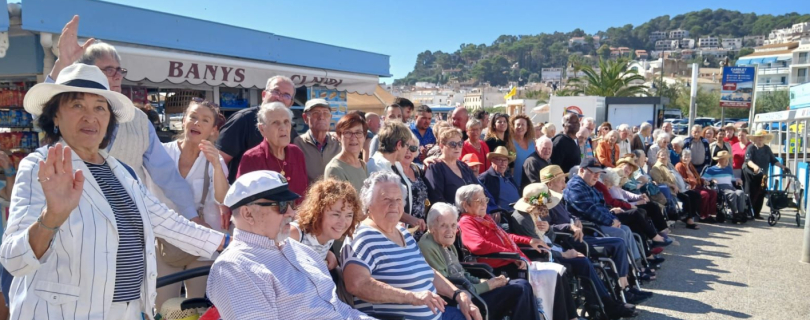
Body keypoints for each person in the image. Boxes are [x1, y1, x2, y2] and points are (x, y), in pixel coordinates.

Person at [2, 64, 226, 320]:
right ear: (55, 115)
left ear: (109, 119)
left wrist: (228, 244)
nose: (90, 116)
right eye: (77, 105)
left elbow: (167, 222)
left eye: (99, 107)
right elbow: (14, 259)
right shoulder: (40, 166)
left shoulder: (122, 172)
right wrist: (51, 218)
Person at [45, 16, 202, 225]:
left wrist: (192, 215)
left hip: (130, 221)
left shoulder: (139, 120)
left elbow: (166, 174)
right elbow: (42, 113)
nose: (117, 76)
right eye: (109, 70)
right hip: (78, 223)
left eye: (119, 70)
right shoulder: (67, 117)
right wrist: (62, 64)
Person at [207, 171, 371, 319]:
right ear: (247, 214)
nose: (292, 213)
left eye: (291, 204)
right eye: (282, 206)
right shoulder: (235, 267)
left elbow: (340, 310)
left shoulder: (301, 250)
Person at [342, 172, 482, 320]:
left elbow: (426, 271)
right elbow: (356, 284)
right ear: (368, 204)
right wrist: (411, 297)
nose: (394, 205)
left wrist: (458, 295)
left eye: (398, 199)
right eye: (386, 199)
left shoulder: (403, 232)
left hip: (439, 313)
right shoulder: (361, 236)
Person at [510, 183, 644, 313]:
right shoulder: (522, 218)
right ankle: (605, 305)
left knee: (585, 260)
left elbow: (550, 238)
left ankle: (603, 303)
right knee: (582, 261)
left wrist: (548, 228)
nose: (545, 207)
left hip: (552, 249)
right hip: (542, 256)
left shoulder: (534, 211)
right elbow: (539, 248)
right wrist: (564, 255)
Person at [154, 98, 231, 310]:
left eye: (204, 120)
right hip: (166, 242)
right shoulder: (161, 153)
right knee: (165, 307)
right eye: (193, 117)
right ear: (184, 120)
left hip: (203, 243)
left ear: (214, 130)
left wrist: (216, 164)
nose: (196, 123)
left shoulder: (214, 160)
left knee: (199, 308)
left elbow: (223, 199)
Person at [419, 203, 542, 320]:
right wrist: (489, 285)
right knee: (519, 290)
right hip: (461, 301)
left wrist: (482, 281)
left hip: (470, 290)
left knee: (522, 284)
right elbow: (448, 285)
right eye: (443, 225)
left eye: (453, 225)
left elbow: (461, 273)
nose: (450, 231)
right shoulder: (427, 246)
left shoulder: (446, 242)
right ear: (431, 227)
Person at [218, 76, 298, 183]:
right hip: (246, 194)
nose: (279, 97)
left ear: (291, 103)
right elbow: (219, 162)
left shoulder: (289, 128)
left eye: (286, 95)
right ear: (264, 95)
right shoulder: (243, 120)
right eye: (276, 91)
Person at [237, 102, 308, 204]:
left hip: (298, 218)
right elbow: (242, 199)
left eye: (286, 122)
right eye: (275, 122)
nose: (283, 128)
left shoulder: (297, 153)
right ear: (262, 129)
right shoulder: (252, 158)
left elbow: (304, 194)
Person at [290, 179, 362, 270]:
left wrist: (327, 253)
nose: (343, 222)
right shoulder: (295, 234)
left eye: (349, 215)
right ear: (317, 212)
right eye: (336, 214)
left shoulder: (328, 236)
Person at [425, 128, 482, 205]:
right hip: (449, 214)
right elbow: (436, 199)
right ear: (441, 146)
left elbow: (478, 189)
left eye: (460, 143)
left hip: (471, 213)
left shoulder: (464, 166)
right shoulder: (435, 167)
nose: (457, 147)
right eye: (452, 144)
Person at [648, 149, 700, 229]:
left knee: (696, 195)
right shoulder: (656, 168)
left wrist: (686, 184)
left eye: (666, 154)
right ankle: (689, 220)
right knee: (687, 197)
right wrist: (672, 185)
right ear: (657, 156)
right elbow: (659, 181)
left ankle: (688, 216)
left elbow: (678, 176)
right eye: (662, 154)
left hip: (681, 188)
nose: (665, 156)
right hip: (671, 190)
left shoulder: (670, 165)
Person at [293, 98, 341, 184]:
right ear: (305, 118)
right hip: (309, 196)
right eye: (316, 113)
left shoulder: (339, 143)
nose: (321, 117)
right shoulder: (297, 144)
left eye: (325, 113)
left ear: (330, 117)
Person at [744, 130, 787, 219]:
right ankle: (748, 212)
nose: (760, 139)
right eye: (758, 137)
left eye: (762, 137)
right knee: (751, 192)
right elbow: (748, 160)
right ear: (754, 139)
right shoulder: (751, 148)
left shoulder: (767, 148)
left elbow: (773, 160)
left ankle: (756, 213)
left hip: (763, 175)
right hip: (751, 174)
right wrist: (755, 167)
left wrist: (782, 167)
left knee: (761, 193)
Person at [396, 134, 431, 241]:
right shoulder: (393, 171)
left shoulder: (416, 169)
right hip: (403, 229)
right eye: (405, 147)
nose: (408, 152)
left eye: (412, 148)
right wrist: (410, 219)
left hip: (421, 228)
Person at [325, 113, 369, 195]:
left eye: (358, 132)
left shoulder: (362, 165)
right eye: (348, 133)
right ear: (339, 137)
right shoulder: (335, 169)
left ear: (364, 136)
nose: (353, 138)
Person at [702, 151, 747, 222]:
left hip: (731, 187)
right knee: (732, 194)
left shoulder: (729, 169)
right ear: (719, 160)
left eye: (727, 159)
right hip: (721, 188)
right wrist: (711, 180)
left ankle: (741, 213)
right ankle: (735, 213)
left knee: (740, 192)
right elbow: (702, 178)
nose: (727, 161)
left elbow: (732, 179)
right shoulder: (711, 169)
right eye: (725, 159)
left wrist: (737, 179)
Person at [676, 150, 719, 222]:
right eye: (685, 157)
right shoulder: (679, 166)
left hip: (697, 185)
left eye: (688, 157)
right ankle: (702, 216)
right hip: (689, 187)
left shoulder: (690, 165)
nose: (686, 159)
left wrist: (703, 181)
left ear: (691, 158)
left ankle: (710, 214)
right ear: (681, 158)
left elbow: (697, 177)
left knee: (713, 193)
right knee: (705, 194)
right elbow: (680, 179)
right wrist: (691, 181)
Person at [478, 147, 520, 213]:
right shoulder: (485, 178)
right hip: (504, 216)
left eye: (505, 160)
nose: (503, 164)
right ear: (492, 160)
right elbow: (480, 200)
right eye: (499, 160)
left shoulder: (508, 177)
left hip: (518, 211)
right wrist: (494, 210)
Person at [512, 114, 537, 188]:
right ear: (513, 127)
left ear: (527, 127)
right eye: (518, 124)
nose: (520, 127)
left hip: (531, 182)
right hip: (516, 184)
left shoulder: (533, 142)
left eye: (523, 125)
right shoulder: (510, 143)